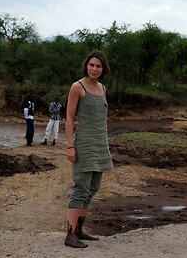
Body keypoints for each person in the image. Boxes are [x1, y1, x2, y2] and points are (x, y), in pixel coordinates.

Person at [64, 50, 113, 248]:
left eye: (98, 66)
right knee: (81, 189)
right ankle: (69, 235)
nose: (94, 69)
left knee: (93, 189)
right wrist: (69, 146)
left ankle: (79, 231)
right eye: (91, 65)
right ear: (86, 65)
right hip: (83, 144)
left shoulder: (103, 89)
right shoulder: (78, 86)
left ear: (103, 69)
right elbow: (68, 117)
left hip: (100, 144)